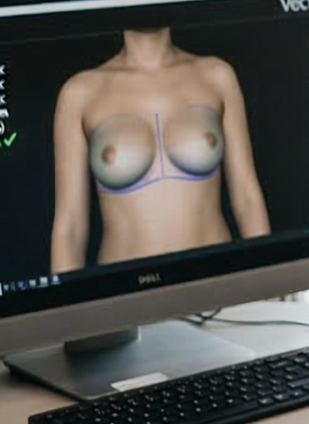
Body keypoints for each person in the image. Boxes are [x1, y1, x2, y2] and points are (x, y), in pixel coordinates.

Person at [48, 28, 269, 270]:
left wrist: (268, 285)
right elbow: (70, 228)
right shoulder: (80, 93)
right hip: (125, 294)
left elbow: (247, 197)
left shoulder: (216, 75)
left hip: (218, 285)